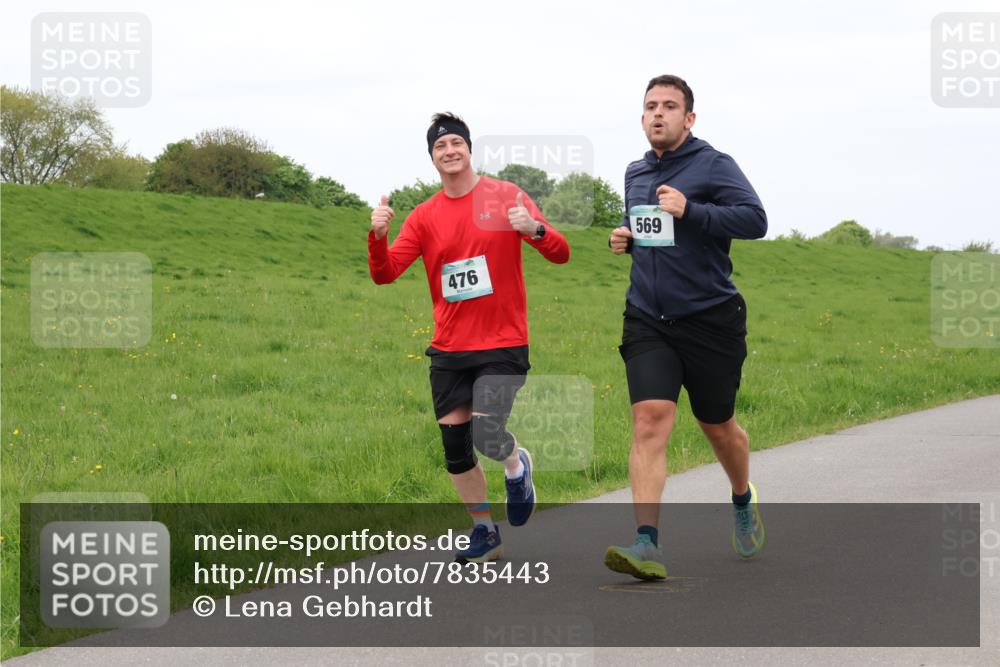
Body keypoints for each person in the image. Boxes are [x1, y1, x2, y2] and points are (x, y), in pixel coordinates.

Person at [368, 112, 570, 562]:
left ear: (469, 148)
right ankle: (484, 532)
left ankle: (517, 467)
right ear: (432, 158)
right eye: (441, 147)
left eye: (456, 142)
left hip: (502, 341)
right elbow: (385, 274)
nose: (450, 151)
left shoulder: (506, 197)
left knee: (487, 431)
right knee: (455, 449)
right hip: (450, 346)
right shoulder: (423, 217)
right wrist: (378, 236)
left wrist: (533, 229)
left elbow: (561, 252)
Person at [604, 75, 768, 580]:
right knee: (650, 419)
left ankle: (742, 496)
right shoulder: (634, 172)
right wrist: (630, 239)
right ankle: (646, 544)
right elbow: (659, 234)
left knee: (718, 428)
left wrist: (692, 209)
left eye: (669, 106)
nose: (658, 114)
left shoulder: (714, 164)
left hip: (711, 320)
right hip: (648, 317)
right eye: (650, 106)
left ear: (689, 118)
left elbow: (755, 220)